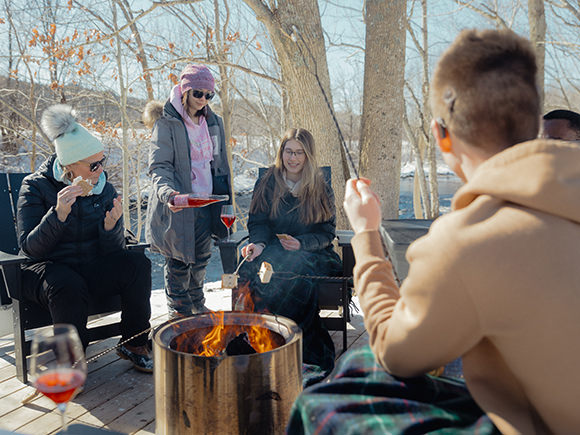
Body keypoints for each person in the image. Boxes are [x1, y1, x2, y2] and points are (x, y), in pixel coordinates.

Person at [288, 29, 580, 434]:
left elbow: (396, 353)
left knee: (325, 402)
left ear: (441, 134)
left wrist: (366, 232)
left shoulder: (468, 240)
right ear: (532, 124)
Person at [19, 104, 153, 373]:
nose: (100, 170)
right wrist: (58, 215)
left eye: (103, 161)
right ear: (70, 165)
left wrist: (110, 227)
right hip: (46, 271)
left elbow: (113, 252)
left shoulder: (104, 189)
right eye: (94, 164)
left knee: (137, 264)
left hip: (89, 267)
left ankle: (134, 343)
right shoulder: (35, 186)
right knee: (66, 283)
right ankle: (70, 361)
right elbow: (31, 248)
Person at [238, 128, 342, 387]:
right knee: (257, 270)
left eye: (299, 153)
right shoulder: (267, 181)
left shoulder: (320, 185)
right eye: (288, 151)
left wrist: (303, 243)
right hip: (274, 249)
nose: (293, 158)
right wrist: (258, 244)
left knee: (296, 275)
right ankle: (263, 343)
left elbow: (328, 232)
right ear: (281, 152)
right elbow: (258, 222)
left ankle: (304, 355)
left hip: (314, 253)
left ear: (308, 156)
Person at [145, 64, 232, 319]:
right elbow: (158, 166)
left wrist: (225, 199)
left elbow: (220, 164)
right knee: (180, 259)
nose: (203, 99)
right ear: (185, 91)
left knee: (203, 256)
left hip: (208, 201)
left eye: (209, 95)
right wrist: (169, 194)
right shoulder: (167, 122)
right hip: (181, 202)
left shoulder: (213, 122)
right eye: (198, 93)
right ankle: (179, 310)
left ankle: (197, 301)